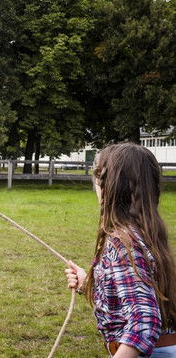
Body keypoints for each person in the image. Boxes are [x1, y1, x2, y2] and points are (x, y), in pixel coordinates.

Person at [65, 143, 176, 357]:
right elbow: (138, 291)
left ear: (109, 184)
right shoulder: (143, 231)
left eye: (98, 176)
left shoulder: (121, 242)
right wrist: (89, 283)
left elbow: (143, 323)